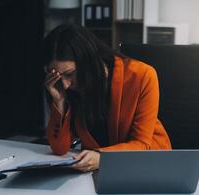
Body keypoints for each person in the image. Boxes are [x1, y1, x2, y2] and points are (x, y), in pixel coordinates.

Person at [43, 24, 172, 172]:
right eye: (58, 77)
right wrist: (59, 102)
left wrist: (102, 157)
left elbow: (141, 144)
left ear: (88, 61)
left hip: (147, 166)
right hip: (98, 170)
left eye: (70, 74)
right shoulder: (69, 90)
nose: (65, 85)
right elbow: (60, 148)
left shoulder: (143, 76)